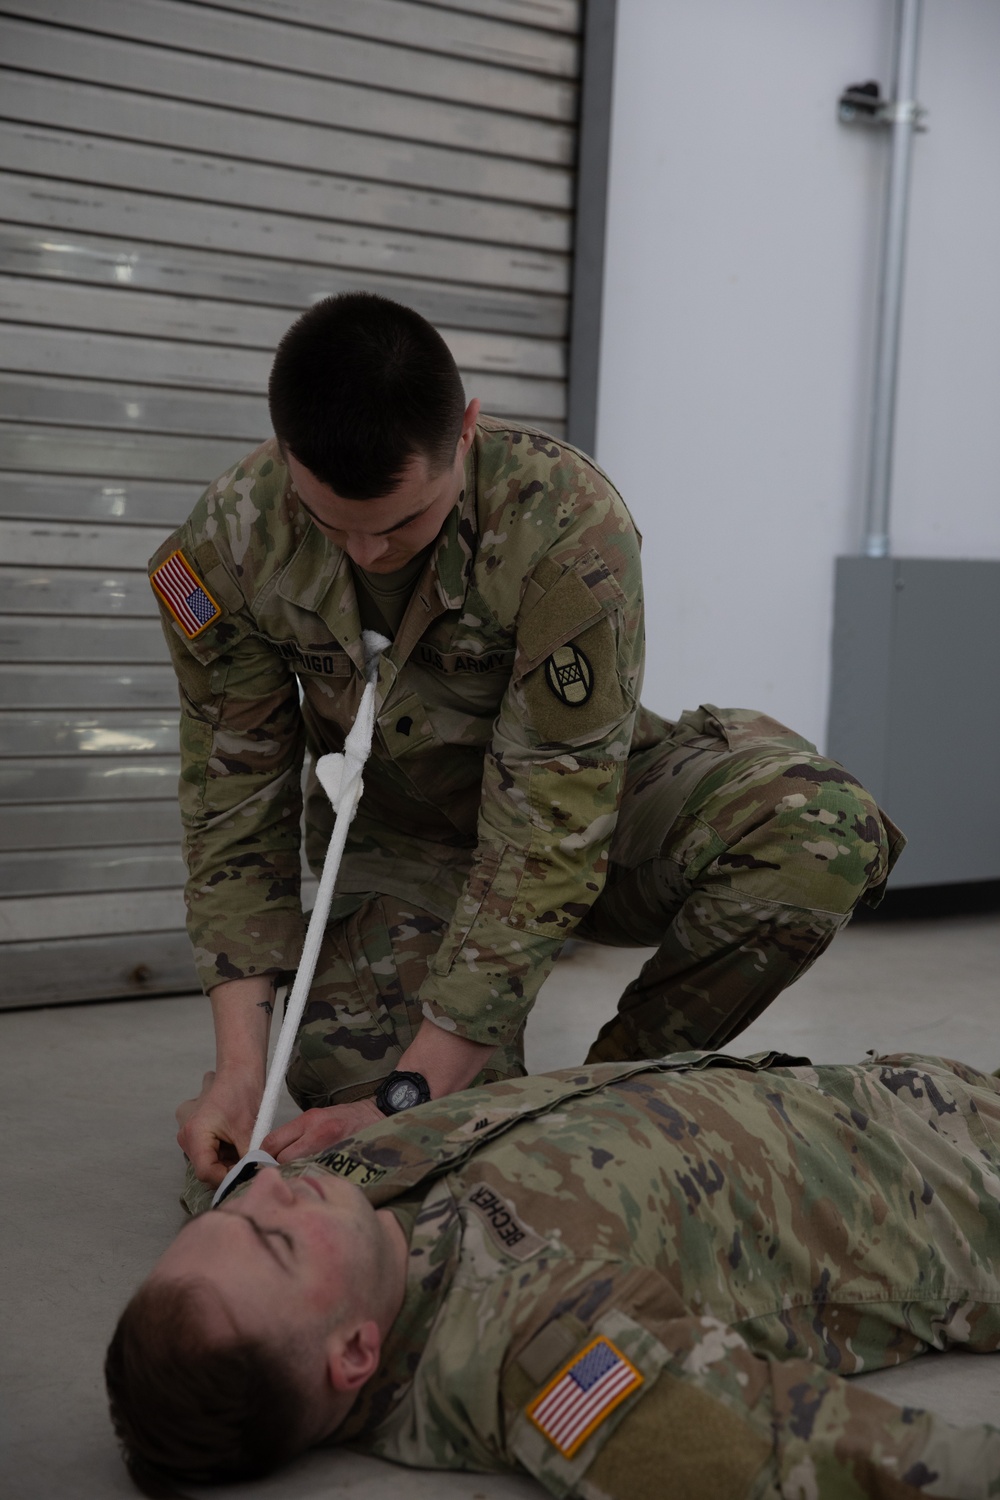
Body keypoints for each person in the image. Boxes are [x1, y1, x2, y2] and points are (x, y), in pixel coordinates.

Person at [149, 291, 903, 1189]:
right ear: (284, 455)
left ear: (466, 431)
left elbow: (550, 825)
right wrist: (240, 1071)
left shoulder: (565, 524)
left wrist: (411, 1090)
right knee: (433, 1161)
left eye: (400, 523)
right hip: (406, 853)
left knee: (817, 830)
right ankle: (499, 1101)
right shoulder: (225, 544)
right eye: (329, 522)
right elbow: (233, 809)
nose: (366, 554)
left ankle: (607, 1097)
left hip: (587, 814)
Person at [108, 1046, 1000, 1497]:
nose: (273, 1193)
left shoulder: (339, 1215)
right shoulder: (537, 1349)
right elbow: (791, 1456)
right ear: (353, 1354)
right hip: (965, 1194)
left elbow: (233, 1202)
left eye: (238, 1209)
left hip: (888, 1090)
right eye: (277, 1241)